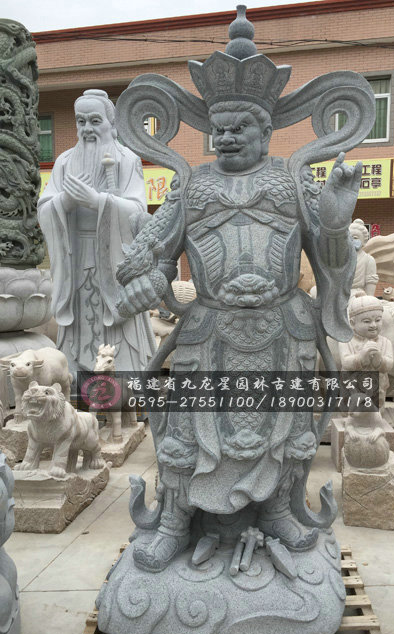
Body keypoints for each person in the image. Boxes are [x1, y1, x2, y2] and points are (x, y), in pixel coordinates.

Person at [114, 23, 365, 573]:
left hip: (283, 325)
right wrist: (149, 278)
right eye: (219, 129)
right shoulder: (191, 185)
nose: (227, 137)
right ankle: (175, 522)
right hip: (210, 327)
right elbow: (150, 252)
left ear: (266, 131)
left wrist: (334, 222)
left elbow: (330, 260)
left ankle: (276, 510)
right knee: (188, 425)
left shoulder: (292, 181)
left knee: (283, 428)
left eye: (240, 127)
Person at [38, 89, 156, 374]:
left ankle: (123, 382)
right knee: (80, 318)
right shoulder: (64, 161)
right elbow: (45, 208)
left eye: (94, 120)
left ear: (110, 123)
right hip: (76, 258)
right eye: (81, 121)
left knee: (116, 322)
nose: (87, 129)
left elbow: (138, 211)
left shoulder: (127, 159)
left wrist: (97, 201)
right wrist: (65, 202)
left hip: (113, 259)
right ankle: (76, 376)